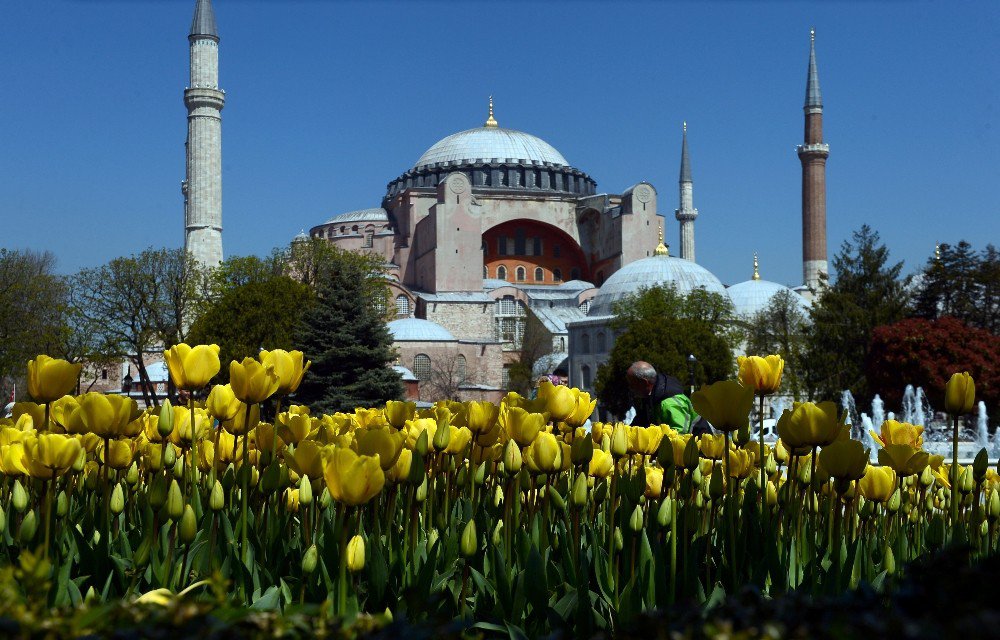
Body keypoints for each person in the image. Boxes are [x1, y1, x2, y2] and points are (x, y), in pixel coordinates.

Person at [625, 361, 710, 435]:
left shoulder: (670, 403)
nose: (630, 388)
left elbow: (679, 435)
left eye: (632, 384)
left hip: (698, 450)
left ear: (644, 382)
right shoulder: (651, 397)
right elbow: (638, 425)